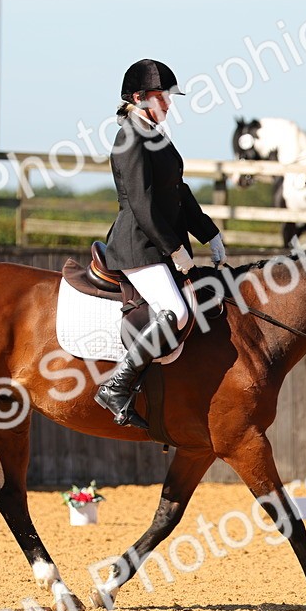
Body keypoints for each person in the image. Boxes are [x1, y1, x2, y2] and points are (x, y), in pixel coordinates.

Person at [95, 58, 226, 429]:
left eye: (168, 97)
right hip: (138, 244)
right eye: (162, 96)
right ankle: (117, 386)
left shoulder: (154, 133)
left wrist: (209, 232)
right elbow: (142, 204)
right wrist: (176, 250)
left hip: (157, 242)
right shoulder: (130, 138)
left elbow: (177, 192)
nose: (168, 104)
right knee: (177, 311)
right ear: (138, 97)